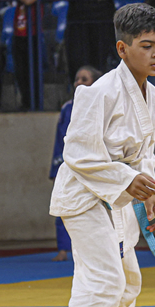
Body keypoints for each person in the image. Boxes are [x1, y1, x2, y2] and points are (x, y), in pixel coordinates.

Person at [46, 3, 155, 307]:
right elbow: (78, 155)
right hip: (83, 198)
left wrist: (150, 194)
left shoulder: (153, 98)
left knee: (128, 280)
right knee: (103, 281)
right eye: (146, 45)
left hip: (120, 200)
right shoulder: (96, 93)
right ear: (122, 48)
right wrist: (130, 179)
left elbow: (145, 154)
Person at [50, 65, 104, 262]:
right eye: (77, 79)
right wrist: (56, 167)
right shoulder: (67, 108)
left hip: (94, 166)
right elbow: (59, 140)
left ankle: (97, 250)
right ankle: (64, 249)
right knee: (64, 207)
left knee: (97, 209)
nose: (79, 83)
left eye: (84, 79)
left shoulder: (103, 106)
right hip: (69, 165)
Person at [0, 0, 45, 110]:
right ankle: (25, 102)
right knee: (21, 72)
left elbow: (29, 1)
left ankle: (36, 102)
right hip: (18, 36)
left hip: (33, 37)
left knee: (34, 71)